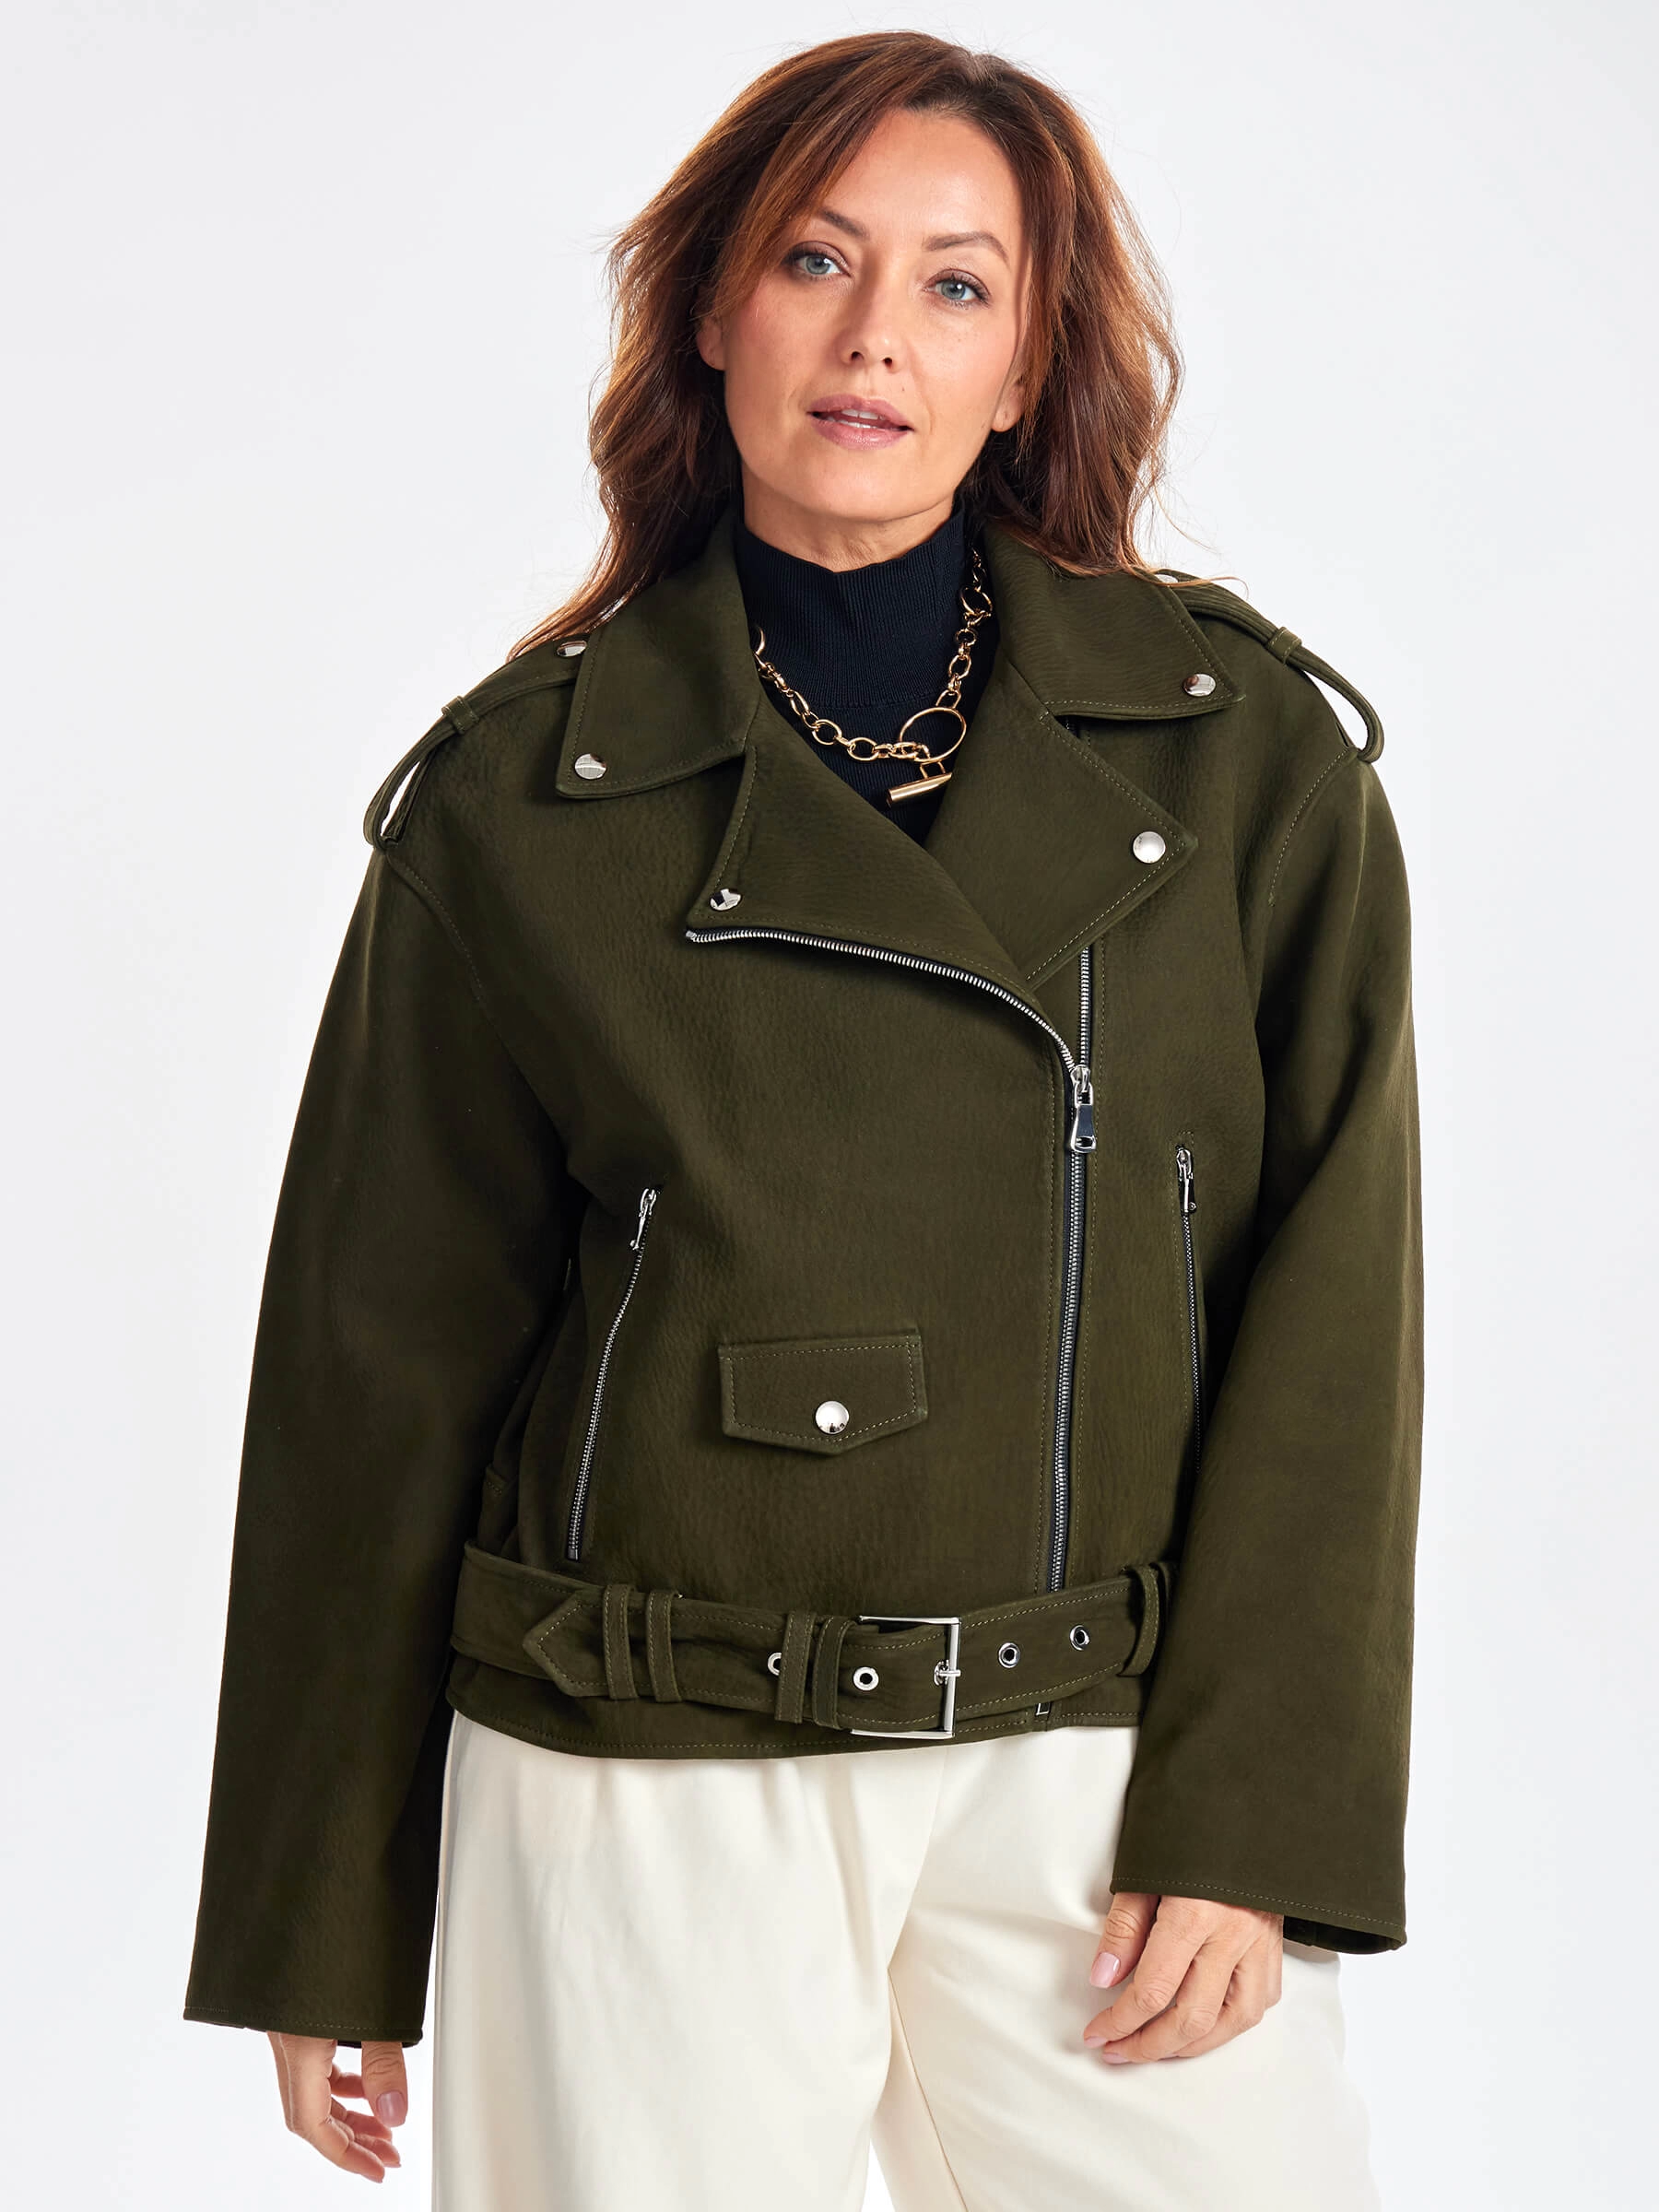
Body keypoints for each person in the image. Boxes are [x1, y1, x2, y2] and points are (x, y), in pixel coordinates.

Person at [183, 31, 1422, 2212]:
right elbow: (375, 1374)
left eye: (957, 284)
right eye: (814, 261)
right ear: (711, 311)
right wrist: (318, 1923)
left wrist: (1258, 1820)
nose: (875, 339)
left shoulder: (1239, 760)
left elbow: (1339, 1318)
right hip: (644, 1770)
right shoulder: (523, 794)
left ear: (1029, 362)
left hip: (1092, 1768)